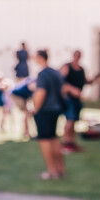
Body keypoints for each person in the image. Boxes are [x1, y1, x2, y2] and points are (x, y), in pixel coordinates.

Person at [29, 49, 67, 180]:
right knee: (53, 138)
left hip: (45, 110)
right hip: (56, 109)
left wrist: (35, 109)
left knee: (44, 140)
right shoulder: (56, 72)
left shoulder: (43, 74)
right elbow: (62, 90)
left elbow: (41, 93)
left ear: (40, 58)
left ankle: (52, 171)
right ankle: (61, 169)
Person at [61, 50, 89, 153]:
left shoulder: (81, 69)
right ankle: (65, 142)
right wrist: (72, 89)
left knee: (74, 121)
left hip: (77, 99)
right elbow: (61, 82)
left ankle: (71, 142)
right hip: (68, 98)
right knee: (70, 119)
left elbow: (84, 80)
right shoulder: (67, 67)